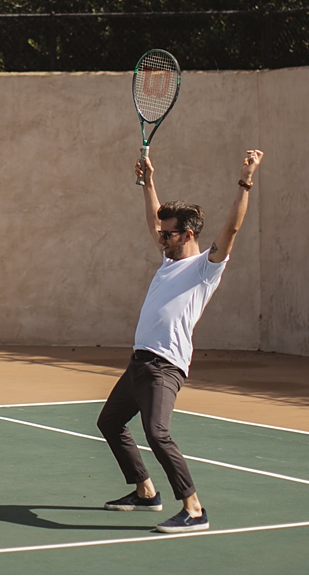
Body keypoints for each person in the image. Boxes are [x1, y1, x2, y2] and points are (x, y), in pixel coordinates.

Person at [97, 148, 264, 534]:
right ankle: (145, 492)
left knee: (157, 433)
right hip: (139, 363)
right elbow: (152, 217)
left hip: (164, 366)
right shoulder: (168, 262)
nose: (160, 238)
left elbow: (233, 228)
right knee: (109, 422)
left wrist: (246, 179)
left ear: (187, 234)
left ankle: (194, 510)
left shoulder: (205, 268)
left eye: (168, 233)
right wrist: (148, 182)